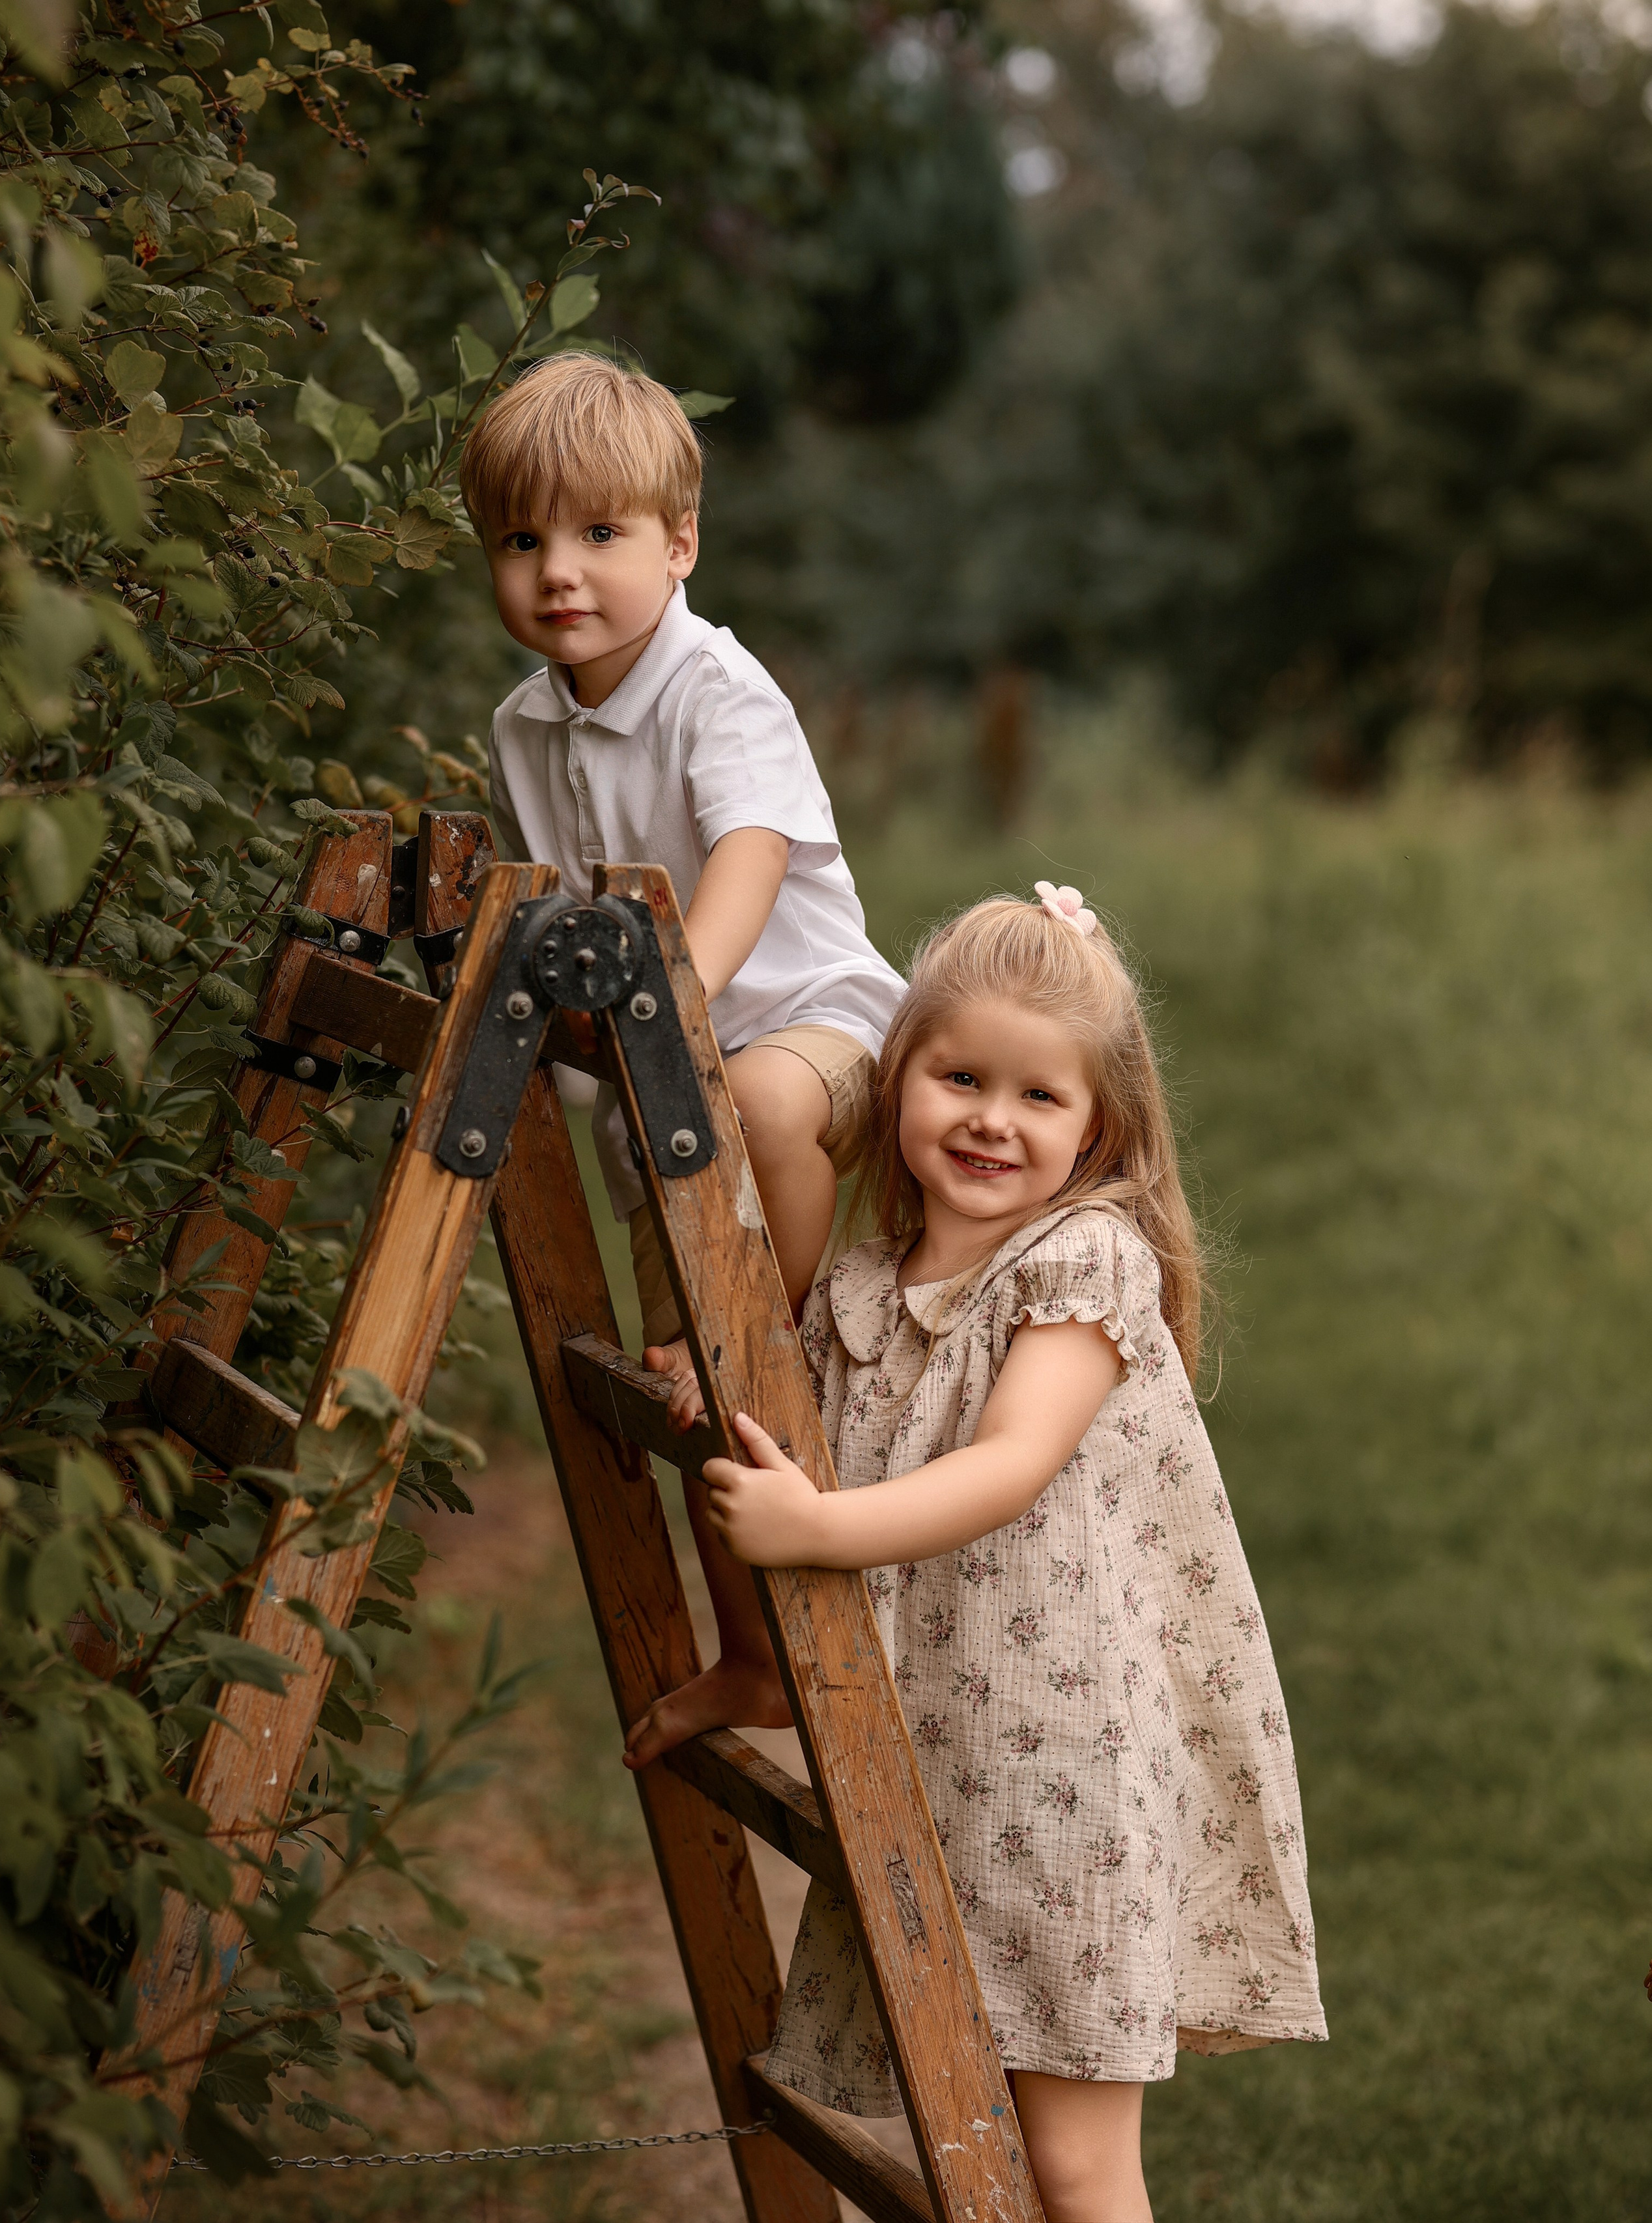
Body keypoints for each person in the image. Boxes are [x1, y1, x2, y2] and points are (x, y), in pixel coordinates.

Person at [691, 886, 1327, 2223]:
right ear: (898, 1076)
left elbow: (1006, 1467)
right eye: (958, 1076)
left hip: (1067, 1779)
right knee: (961, 2139)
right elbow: (782, 1414)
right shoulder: (866, 1287)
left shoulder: (1081, 1266)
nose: (989, 1118)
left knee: (1072, 2166)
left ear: (1099, 1129)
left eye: (1038, 1097)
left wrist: (812, 1532)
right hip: (938, 1765)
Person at [459, 351, 905, 1757]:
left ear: (679, 543)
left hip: (805, 1029)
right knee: (698, 1415)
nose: (557, 573)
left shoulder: (719, 690)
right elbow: (547, 897)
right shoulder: (522, 725)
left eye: (599, 534)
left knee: (761, 1126)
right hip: (657, 1099)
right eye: (521, 541)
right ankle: (749, 1658)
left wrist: (677, 1000)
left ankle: (764, 1320)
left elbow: (753, 856)